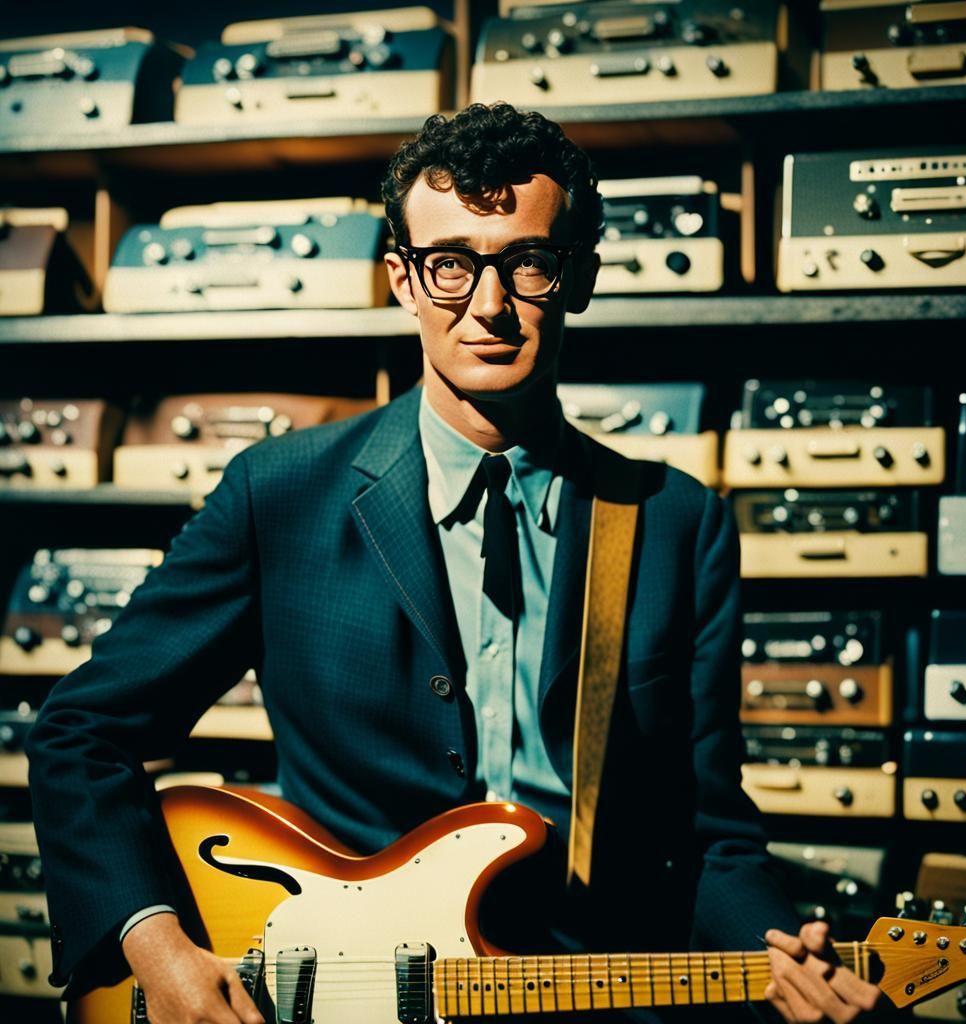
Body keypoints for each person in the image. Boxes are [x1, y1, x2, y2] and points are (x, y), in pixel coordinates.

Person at [27, 103, 880, 1024]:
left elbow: (710, 831)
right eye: (451, 264)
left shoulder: (678, 524)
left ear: (579, 278)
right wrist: (156, 946)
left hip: (583, 989)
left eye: (529, 262)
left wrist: (782, 960)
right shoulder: (278, 495)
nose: (489, 304)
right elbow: (81, 734)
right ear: (401, 277)